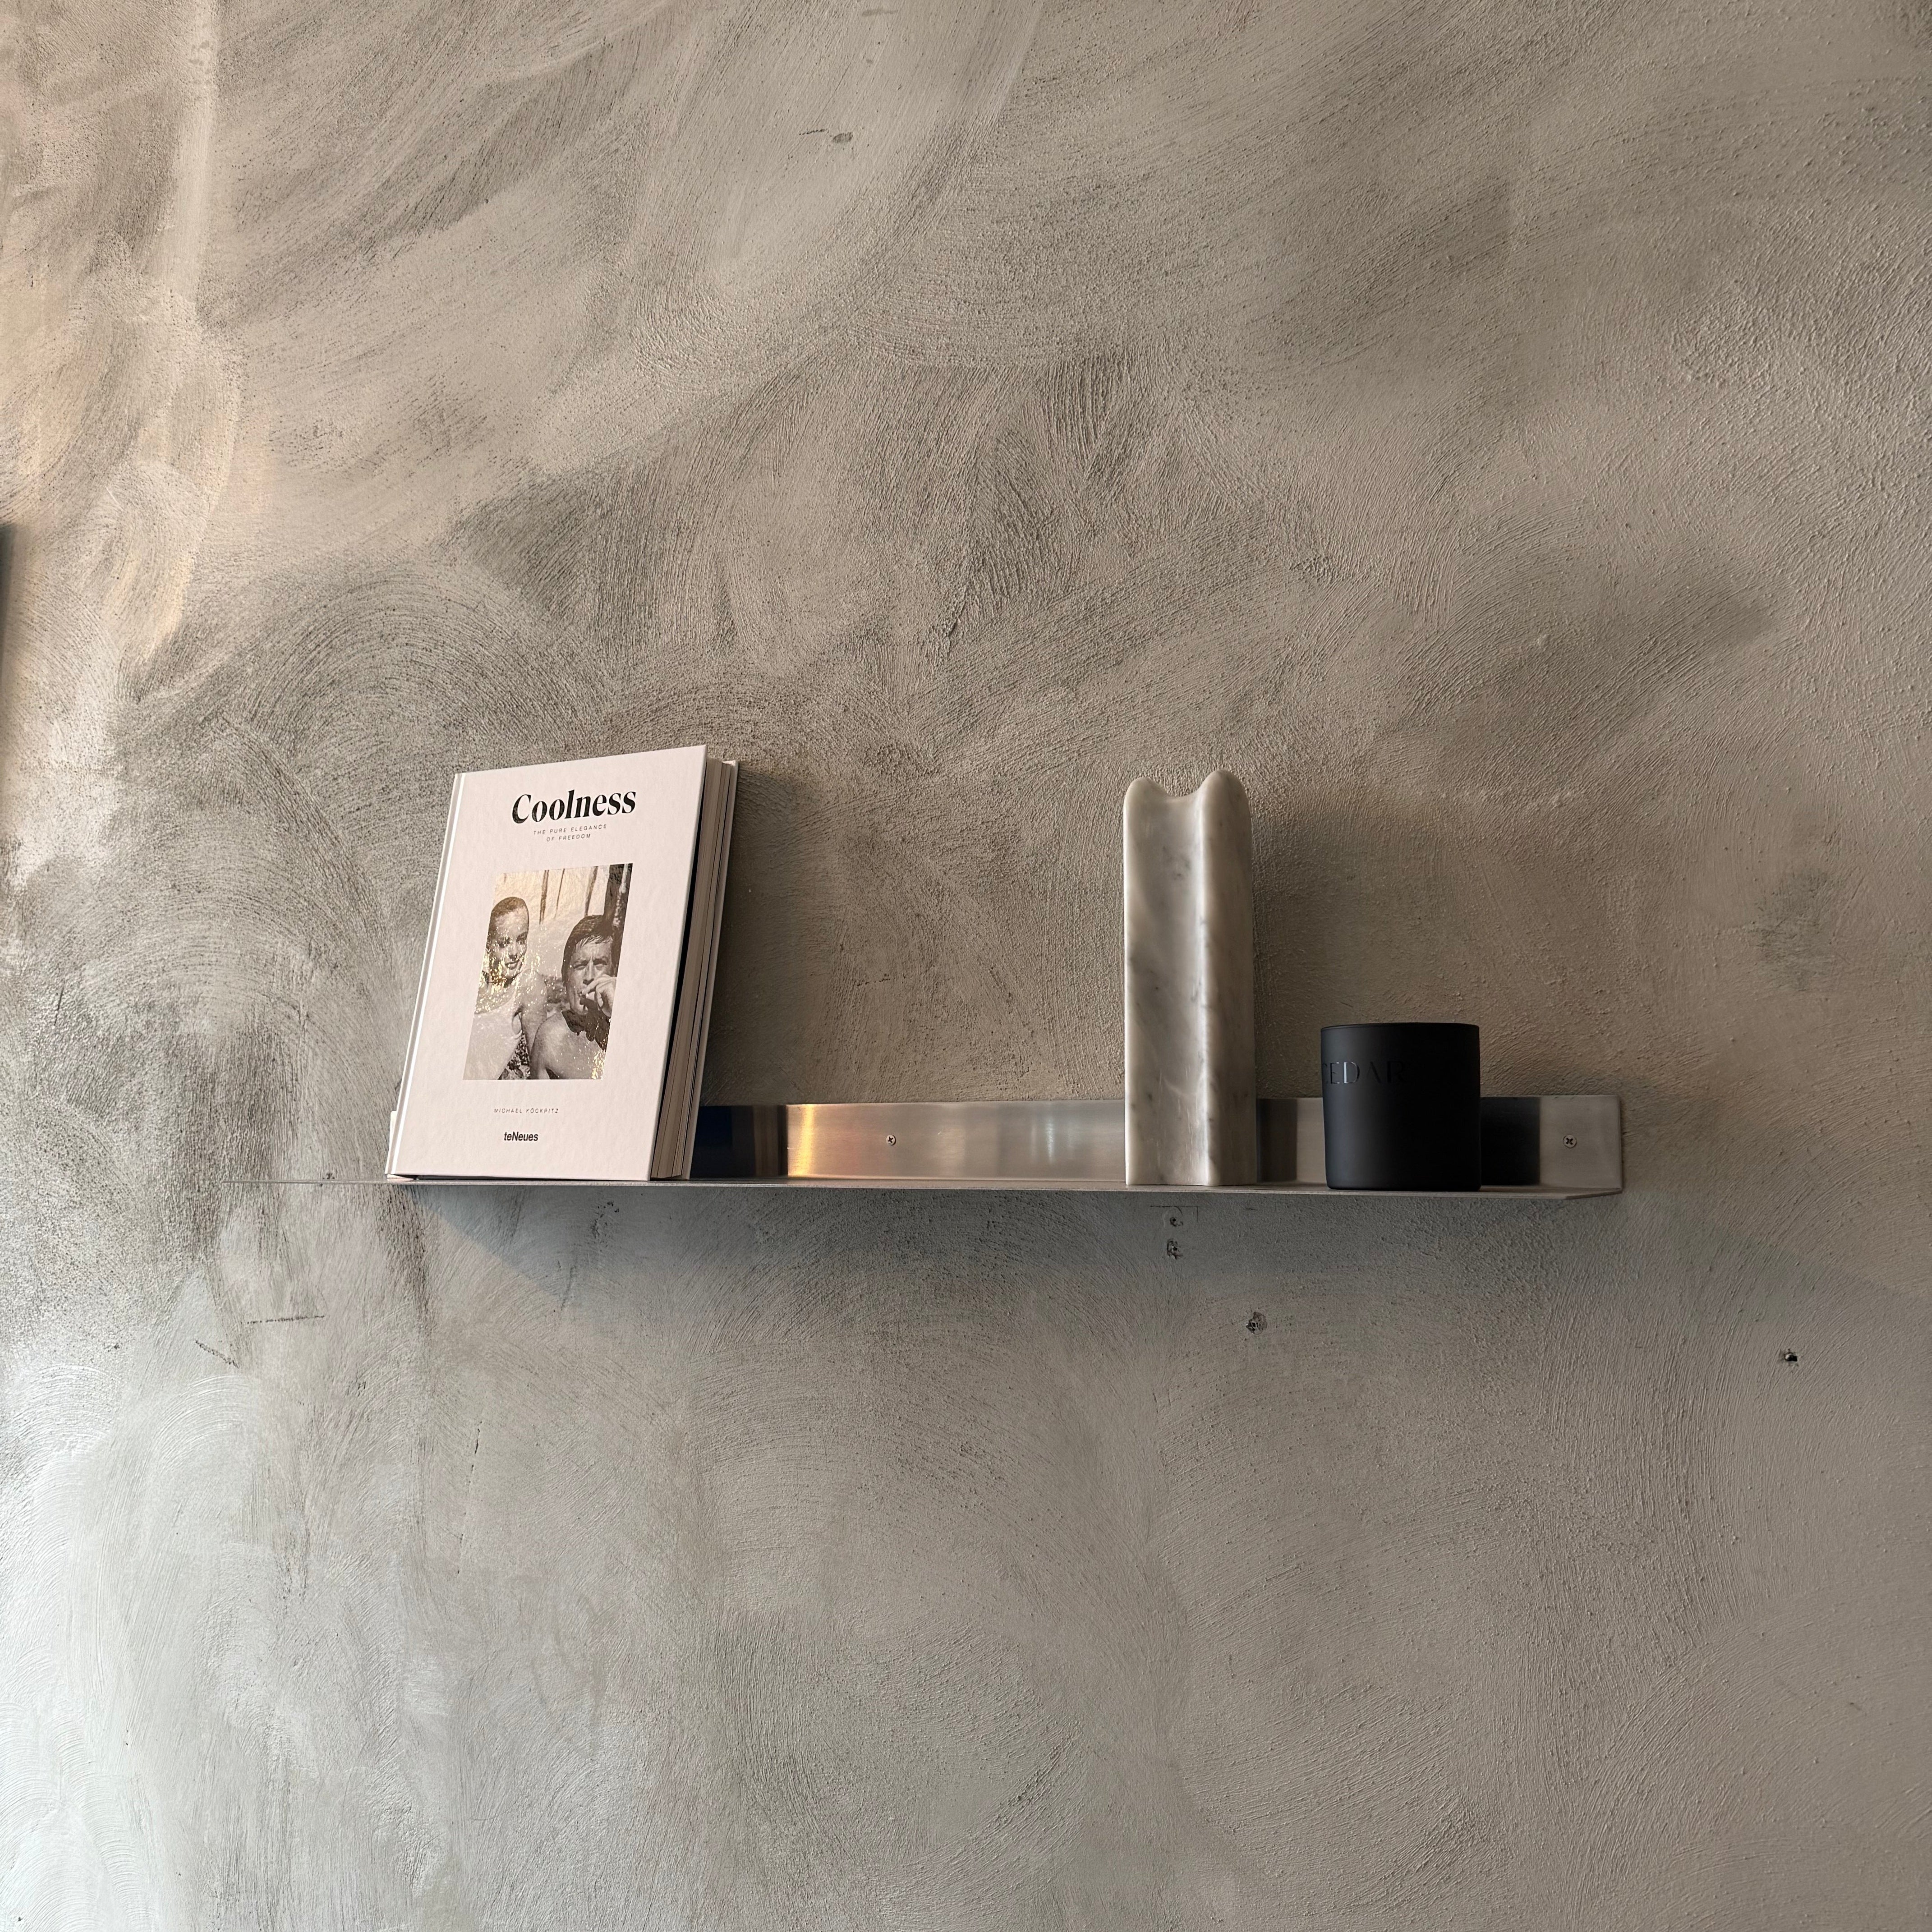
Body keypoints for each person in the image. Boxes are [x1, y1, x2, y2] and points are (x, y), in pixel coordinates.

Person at [465, 896, 547, 1079]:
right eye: (504, 943)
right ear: (488, 945)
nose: (515, 953)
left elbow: (541, 1068)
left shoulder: (527, 986)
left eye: (521, 940)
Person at [530, 915, 617, 1080]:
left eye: (600, 964)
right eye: (580, 965)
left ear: (613, 973)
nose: (590, 976)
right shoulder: (550, 1040)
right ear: (565, 976)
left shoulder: (634, 1025)